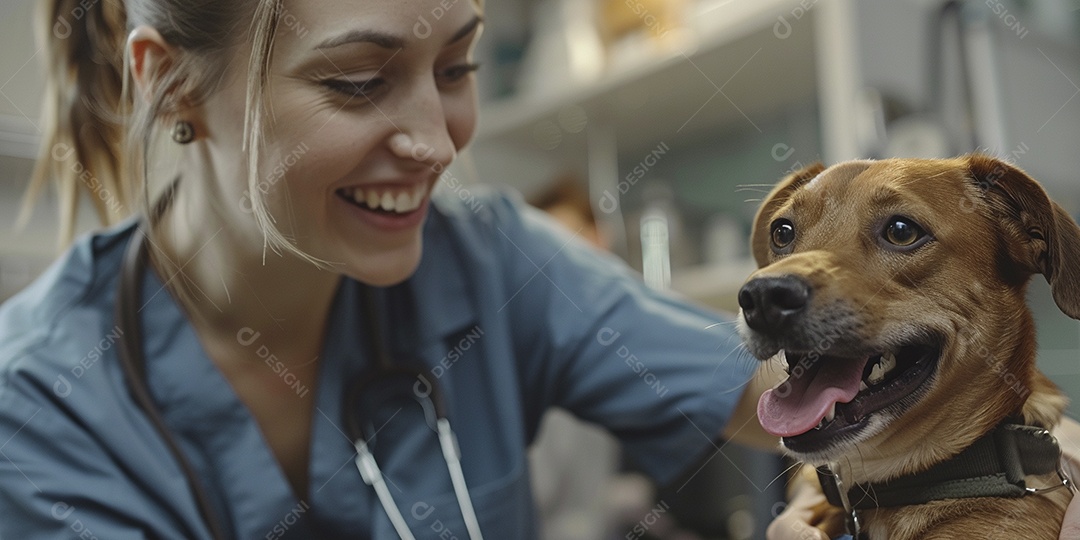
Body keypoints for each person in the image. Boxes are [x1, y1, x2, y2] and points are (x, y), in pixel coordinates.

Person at [0, 2, 1077, 540]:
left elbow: (772, 396)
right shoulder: (40, 406)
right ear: (172, 88)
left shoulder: (492, 256)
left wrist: (1040, 451)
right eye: (362, 81)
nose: (435, 138)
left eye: (458, 66)